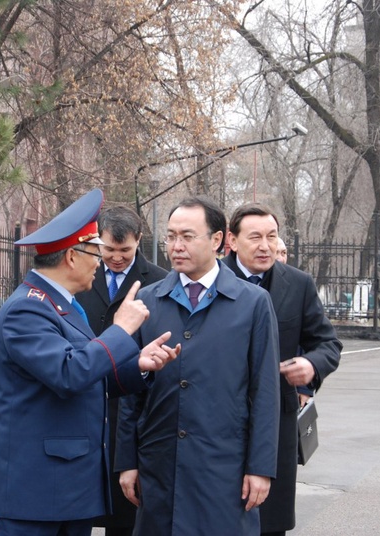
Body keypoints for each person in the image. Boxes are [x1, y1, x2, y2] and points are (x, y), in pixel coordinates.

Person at [0, 189, 181, 536]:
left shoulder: (63, 305)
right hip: (33, 496)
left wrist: (138, 366)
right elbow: (68, 374)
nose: (101, 262)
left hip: (67, 492)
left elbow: (87, 375)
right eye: (96, 252)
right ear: (72, 257)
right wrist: (121, 329)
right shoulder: (26, 310)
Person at [115, 196, 281, 535]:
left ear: (217, 240)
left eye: (188, 236)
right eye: (171, 236)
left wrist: (260, 467)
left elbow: (265, 390)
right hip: (159, 465)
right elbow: (128, 390)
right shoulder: (148, 300)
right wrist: (127, 461)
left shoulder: (252, 303)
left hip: (223, 467)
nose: (176, 246)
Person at [222, 203, 342, 536]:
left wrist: (311, 364)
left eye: (272, 237)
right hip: (219, 421)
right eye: (255, 237)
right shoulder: (213, 281)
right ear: (231, 240)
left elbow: (328, 344)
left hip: (276, 423)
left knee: (269, 522)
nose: (265, 246)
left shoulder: (298, 284)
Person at [76, 206, 169, 536]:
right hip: (87, 403)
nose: (116, 258)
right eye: (109, 249)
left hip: (131, 406)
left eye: (125, 250)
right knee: (81, 511)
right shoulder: (82, 277)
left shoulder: (158, 280)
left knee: (126, 516)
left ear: (139, 241)